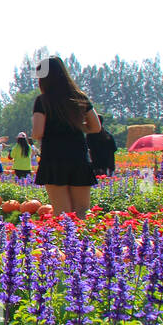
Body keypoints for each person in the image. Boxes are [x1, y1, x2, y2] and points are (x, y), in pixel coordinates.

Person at [32, 56, 102, 218]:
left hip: (54, 157)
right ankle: (83, 242)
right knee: (82, 211)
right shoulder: (80, 97)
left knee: (62, 213)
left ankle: (67, 243)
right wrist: (75, 126)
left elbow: (37, 132)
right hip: (79, 156)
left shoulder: (43, 101)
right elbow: (96, 127)